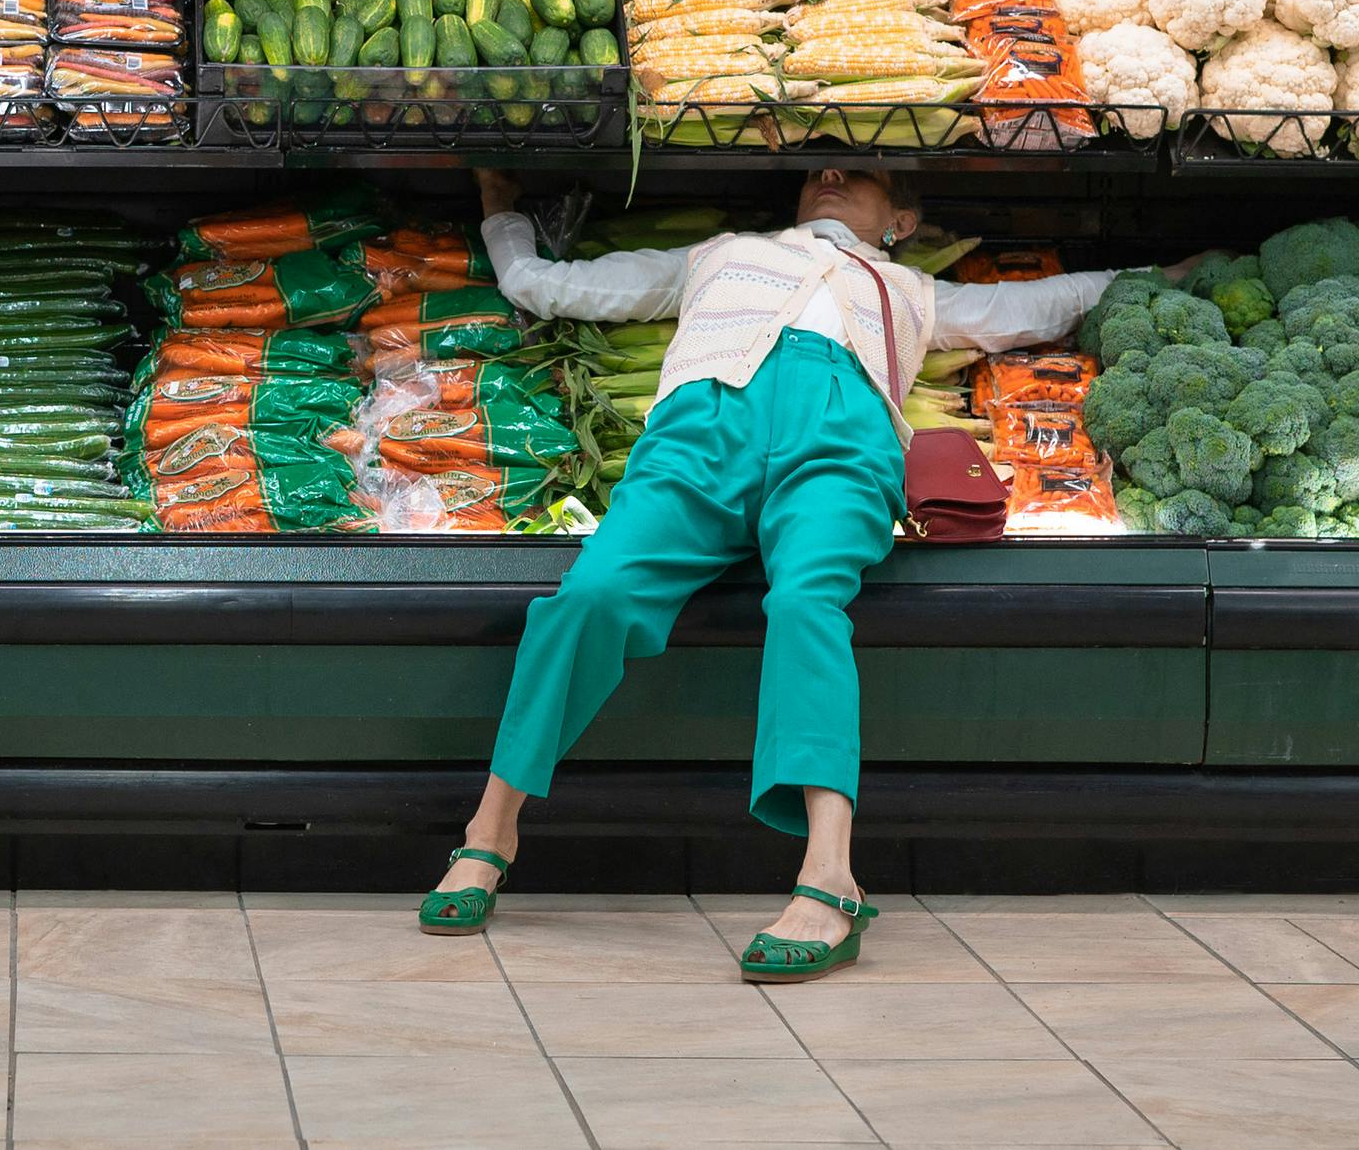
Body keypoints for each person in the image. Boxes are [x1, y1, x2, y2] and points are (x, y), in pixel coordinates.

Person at [423, 167, 1141, 981]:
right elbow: (543, 284)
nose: (830, 174)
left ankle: (829, 878)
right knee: (592, 593)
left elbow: (1047, 302)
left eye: (859, 171)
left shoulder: (914, 290)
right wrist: (496, 208)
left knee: (807, 601)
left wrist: (1170, 274)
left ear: (901, 217)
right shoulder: (718, 253)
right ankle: (490, 830)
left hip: (839, 442)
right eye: (819, 167)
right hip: (701, 432)